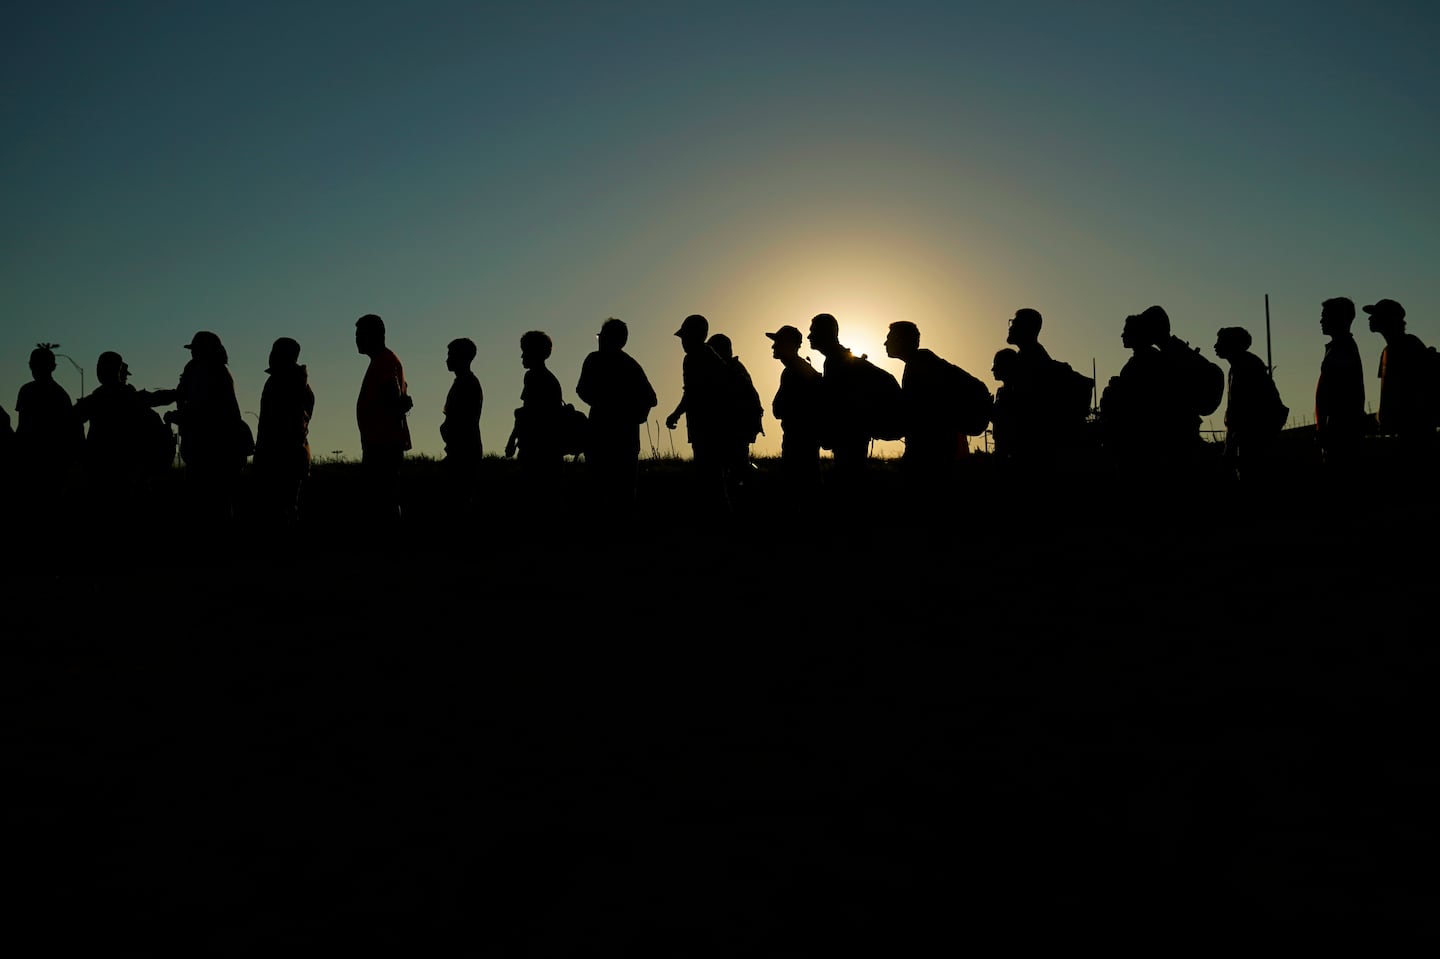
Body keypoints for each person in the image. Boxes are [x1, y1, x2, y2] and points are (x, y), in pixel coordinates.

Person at [73, 351, 176, 521]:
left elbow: (72, 418)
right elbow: (156, 399)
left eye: (102, 367)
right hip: (128, 472)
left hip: (109, 472)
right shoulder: (128, 397)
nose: (99, 370)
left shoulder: (100, 398)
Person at [575, 317, 657, 516]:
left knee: (603, 490)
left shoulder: (595, 360)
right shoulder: (630, 365)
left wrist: (607, 405)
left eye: (602, 336)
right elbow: (651, 399)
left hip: (605, 436)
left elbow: (582, 390)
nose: (599, 340)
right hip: (621, 438)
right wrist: (632, 414)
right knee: (621, 493)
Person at [169, 331, 248, 523]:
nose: (193, 354)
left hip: (215, 451)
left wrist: (178, 416)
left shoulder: (211, 373)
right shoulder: (200, 370)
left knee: (213, 506)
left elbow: (204, 411)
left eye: (196, 350)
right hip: (205, 450)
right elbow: (182, 395)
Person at [882, 320, 968, 495]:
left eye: (889, 338)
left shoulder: (921, 365)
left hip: (930, 453)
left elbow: (917, 414)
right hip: (935, 450)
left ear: (901, 339)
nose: (885, 343)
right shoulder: (921, 362)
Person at [665, 314, 733, 512]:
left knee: (710, 477)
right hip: (714, 426)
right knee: (714, 477)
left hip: (707, 428)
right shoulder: (711, 357)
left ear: (696, 336)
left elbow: (692, 392)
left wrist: (675, 414)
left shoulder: (695, 359)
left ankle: (717, 521)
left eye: (685, 337)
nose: (683, 342)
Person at [1365, 298, 1437, 480]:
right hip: (1402, 432)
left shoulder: (1409, 347)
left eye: (1375, 315)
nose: (1370, 319)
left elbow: (1419, 390)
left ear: (1387, 319)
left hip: (1415, 434)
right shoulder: (1388, 351)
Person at [354, 313, 413, 523]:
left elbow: (393, 401)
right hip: (380, 442)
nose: (357, 339)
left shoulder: (386, 363)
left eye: (360, 334)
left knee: (382, 499)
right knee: (383, 498)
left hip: (383, 444)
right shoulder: (383, 362)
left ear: (374, 335)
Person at [14, 345, 83, 516]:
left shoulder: (28, 391)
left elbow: (22, 428)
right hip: (48, 464)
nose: (34, 369)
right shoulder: (59, 395)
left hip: (41, 464)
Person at [1214, 326, 1287, 487]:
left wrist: (1232, 444)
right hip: (1249, 439)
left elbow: (1242, 412)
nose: (1216, 346)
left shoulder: (1246, 368)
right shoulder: (1240, 367)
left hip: (1253, 441)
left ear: (1233, 345)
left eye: (1220, 342)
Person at [254, 337, 315, 527]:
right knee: (287, 509)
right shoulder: (298, 384)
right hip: (292, 458)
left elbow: (279, 427)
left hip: (280, 459)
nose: (270, 356)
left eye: (275, 351)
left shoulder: (281, 383)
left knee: (280, 512)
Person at [806, 312, 872, 486]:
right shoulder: (836, 360)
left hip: (850, 438)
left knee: (849, 482)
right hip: (851, 437)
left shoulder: (837, 362)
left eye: (813, 331)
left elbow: (841, 404)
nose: (809, 336)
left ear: (825, 334)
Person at [705, 332, 764, 508]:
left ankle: (746, 503)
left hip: (736, 429)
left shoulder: (733, 371)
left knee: (737, 468)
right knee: (735, 467)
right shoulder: (732, 369)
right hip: (737, 428)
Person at [505, 330, 565, 499]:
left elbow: (527, 413)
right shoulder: (547, 378)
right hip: (548, 451)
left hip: (538, 451)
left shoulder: (534, 377)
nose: (522, 356)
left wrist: (512, 439)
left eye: (524, 351)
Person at [766, 324, 824, 493]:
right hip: (803, 437)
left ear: (790, 344)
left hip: (800, 438)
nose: (773, 346)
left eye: (778, 342)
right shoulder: (798, 369)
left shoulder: (794, 371)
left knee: (801, 486)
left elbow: (781, 408)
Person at [1314, 296, 1368, 476]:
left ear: (1339, 319)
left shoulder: (1342, 349)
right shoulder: (1340, 348)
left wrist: (1326, 427)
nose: (1321, 320)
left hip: (1340, 430)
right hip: (1338, 428)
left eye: (1325, 316)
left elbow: (1337, 393)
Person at [440, 337, 484, 521]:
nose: (447, 359)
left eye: (451, 355)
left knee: (459, 503)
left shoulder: (466, 384)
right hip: (461, 450)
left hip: (463, 451)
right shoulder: (464, 382)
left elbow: (462, 420)